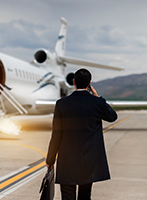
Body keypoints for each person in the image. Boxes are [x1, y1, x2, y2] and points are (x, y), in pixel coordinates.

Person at [46, 68, 117, 200]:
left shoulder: (62, 104)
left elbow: (56, 134)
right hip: (89, 162)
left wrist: (50, 159)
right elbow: (112, 116)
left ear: (74, 82)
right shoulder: (97, 103)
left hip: (67, 161)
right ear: (89, 83)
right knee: (85, 196)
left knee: (67, 196)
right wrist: (97, 98)